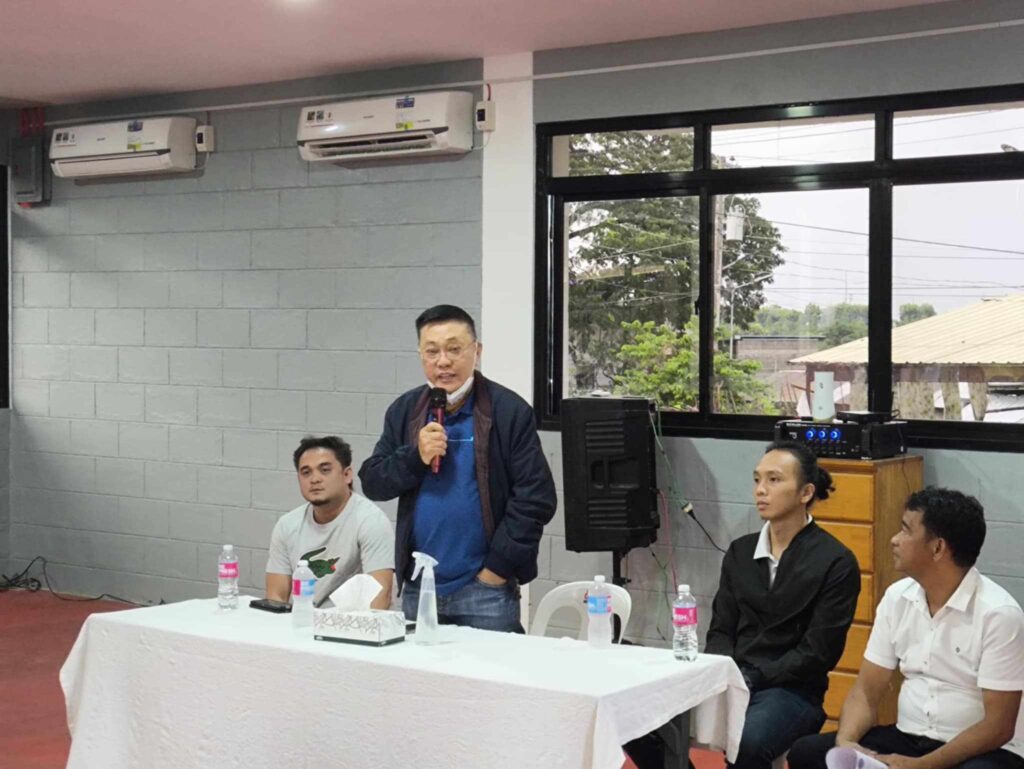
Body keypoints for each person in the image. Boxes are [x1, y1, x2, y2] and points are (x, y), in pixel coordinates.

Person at [788, 487, 1024, 769]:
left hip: (981, 750)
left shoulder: (999, 614)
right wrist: (847, 742)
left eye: (905, 530)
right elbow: (866, 691)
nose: (894, 540)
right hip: (908, 737)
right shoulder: (897, 597)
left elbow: (998, 726)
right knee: (808, 752)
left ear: (937, 548)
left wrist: (923, 765)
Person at [358, 304, 556, 633]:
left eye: (454, 349)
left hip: (486, 591)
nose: (443, 361)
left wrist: (496, 570)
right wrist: (415, 456)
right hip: (420, 586)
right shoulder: (405, 410)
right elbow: (374, 482)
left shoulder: (508, 410)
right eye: (432, 351)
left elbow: (536, 498)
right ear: (420, 355)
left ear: (476, 351)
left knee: (491, 669)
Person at [682, 441, 861, 769]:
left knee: (748, 742)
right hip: (732, 678)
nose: (761, 490)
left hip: (791, 692)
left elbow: (818, 653)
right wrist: (723, 673)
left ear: (806, 492)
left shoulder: (835, 561)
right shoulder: (740, 552)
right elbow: (720, 630)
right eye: (757, 479)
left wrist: (753, 677)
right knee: (647, 720)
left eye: (774, 480)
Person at [266, 435, 395, 609]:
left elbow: (380, 598)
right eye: (306, 472)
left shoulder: (371, 521)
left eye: (325, 470)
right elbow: (275, 598)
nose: (315, 479)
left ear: (347, 475)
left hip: (354, 622)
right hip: (302, 619)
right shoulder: (287, 525)